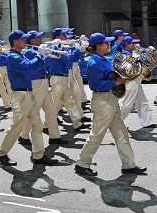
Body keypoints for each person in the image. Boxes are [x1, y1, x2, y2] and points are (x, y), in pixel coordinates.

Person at [75, 33, 146, 177]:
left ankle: (129, 165)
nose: (108, 45)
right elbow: (94, 85)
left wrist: (122, 77)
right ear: (98, 46)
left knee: (121, 133)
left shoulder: (103, 59)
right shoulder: (94, 62)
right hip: (102, 101)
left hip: (111, 99)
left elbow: (112, 75)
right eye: (105, 43)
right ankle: (82, 164)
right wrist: (115, 83)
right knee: (97, 134)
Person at [0, 30, 57, 166]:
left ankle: (38, 155)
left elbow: (33, 68)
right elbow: (28, 67)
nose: (25, 42)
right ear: (15, 41)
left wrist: (43, 57)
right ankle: (1, 153)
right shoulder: (12, 57)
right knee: (16, 127)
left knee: (37, 124)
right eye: (23, 39)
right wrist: (40, 56)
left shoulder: (19, 55)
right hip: (20, 95)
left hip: (28, 93)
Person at [18, 31, 67, 146]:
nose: (40, 39)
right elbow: (36, 66)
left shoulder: (40, 50)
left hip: (44, 82)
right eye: (38, 38)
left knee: (52, 110)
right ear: (32, 40)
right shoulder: (30, 52)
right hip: (36, 83)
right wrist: (43, 55)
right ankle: (24, 135)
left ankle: (54, 136)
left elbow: (48, 64)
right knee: (34, 112)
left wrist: (51, 52)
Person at [46, 28, 89, 132]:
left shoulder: (62, 47)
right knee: (55, 103)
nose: (65, 37)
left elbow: (72, 58)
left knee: (70, 100)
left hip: (64, 76)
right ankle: (46, 124)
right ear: (57, 37)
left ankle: (77, 122)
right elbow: (68, 59)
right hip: (57, 77)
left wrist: (79, 49)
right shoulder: (53, 48)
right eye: (63, 35)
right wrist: (77, 49)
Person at [119, 36, 154, 128]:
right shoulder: (123, 55)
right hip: (131, 82)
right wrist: (136, 61)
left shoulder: (131, 54)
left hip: (136, 82)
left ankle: (147, 122)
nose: (134, 45)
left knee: (142, 102)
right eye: (132, 43)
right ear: (127, 44)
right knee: (127, 104)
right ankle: (117, 123)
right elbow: (127, 70)